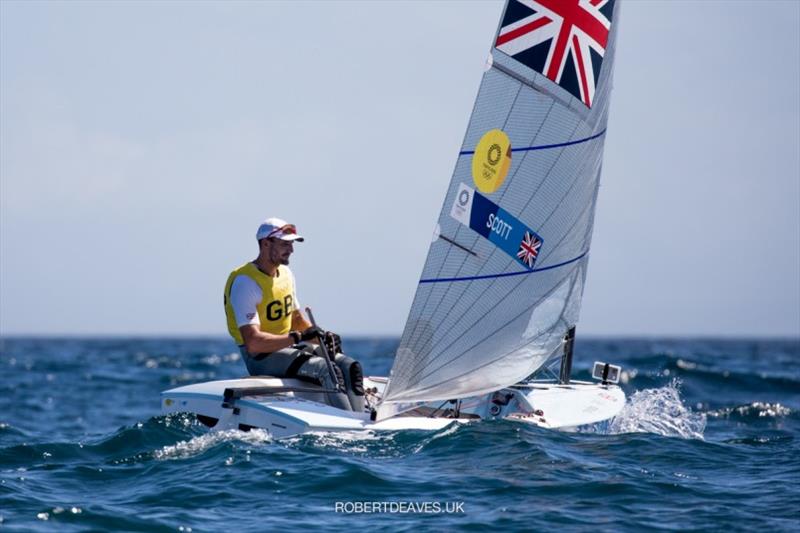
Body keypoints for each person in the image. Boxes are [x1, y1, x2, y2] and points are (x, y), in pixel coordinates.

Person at [223, 217, 364, 412]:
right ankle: (348, 423)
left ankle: (362, 420)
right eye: (284, 244)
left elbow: (296, 320)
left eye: (291, 244)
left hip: (289, 347)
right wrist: (298, 337)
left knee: (350, 366)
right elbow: (254, 344)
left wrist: (319, 336)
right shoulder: (246, 282)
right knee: (326, 370)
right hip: (260, 358)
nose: (291, 250)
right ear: (265, 243)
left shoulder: (286, 274)